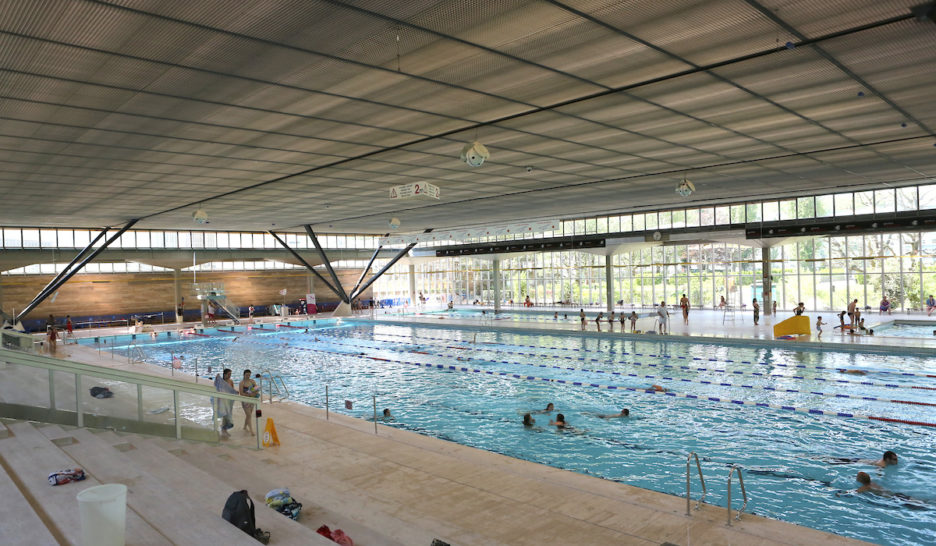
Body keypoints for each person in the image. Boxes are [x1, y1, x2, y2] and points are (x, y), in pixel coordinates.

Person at [213, 369, 237, 439]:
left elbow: (232, 390)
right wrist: (216, 378)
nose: (230, 375)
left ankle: (224, 429)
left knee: (228, 415)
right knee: (225, 415)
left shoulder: (231, 381)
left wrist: (236, 392)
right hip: (222, 400)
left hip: (229, 401)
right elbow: (215, 386)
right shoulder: (221, 382)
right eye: (228, 374)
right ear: (225, 374)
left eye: (230, 374)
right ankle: (223, 429)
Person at [239, 369, 259, 435]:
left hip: (252, 400)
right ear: (244, 375)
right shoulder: (242, 383)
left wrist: (254, 394)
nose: (248, 376)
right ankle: (251, 430)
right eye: (247, 375)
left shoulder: (252, 381)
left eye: (249, 375)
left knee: (248, 415)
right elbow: (241, 393)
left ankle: (245, 426)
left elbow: (257, 389)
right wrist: (248, 395)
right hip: (245, 401)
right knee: (249, 415)